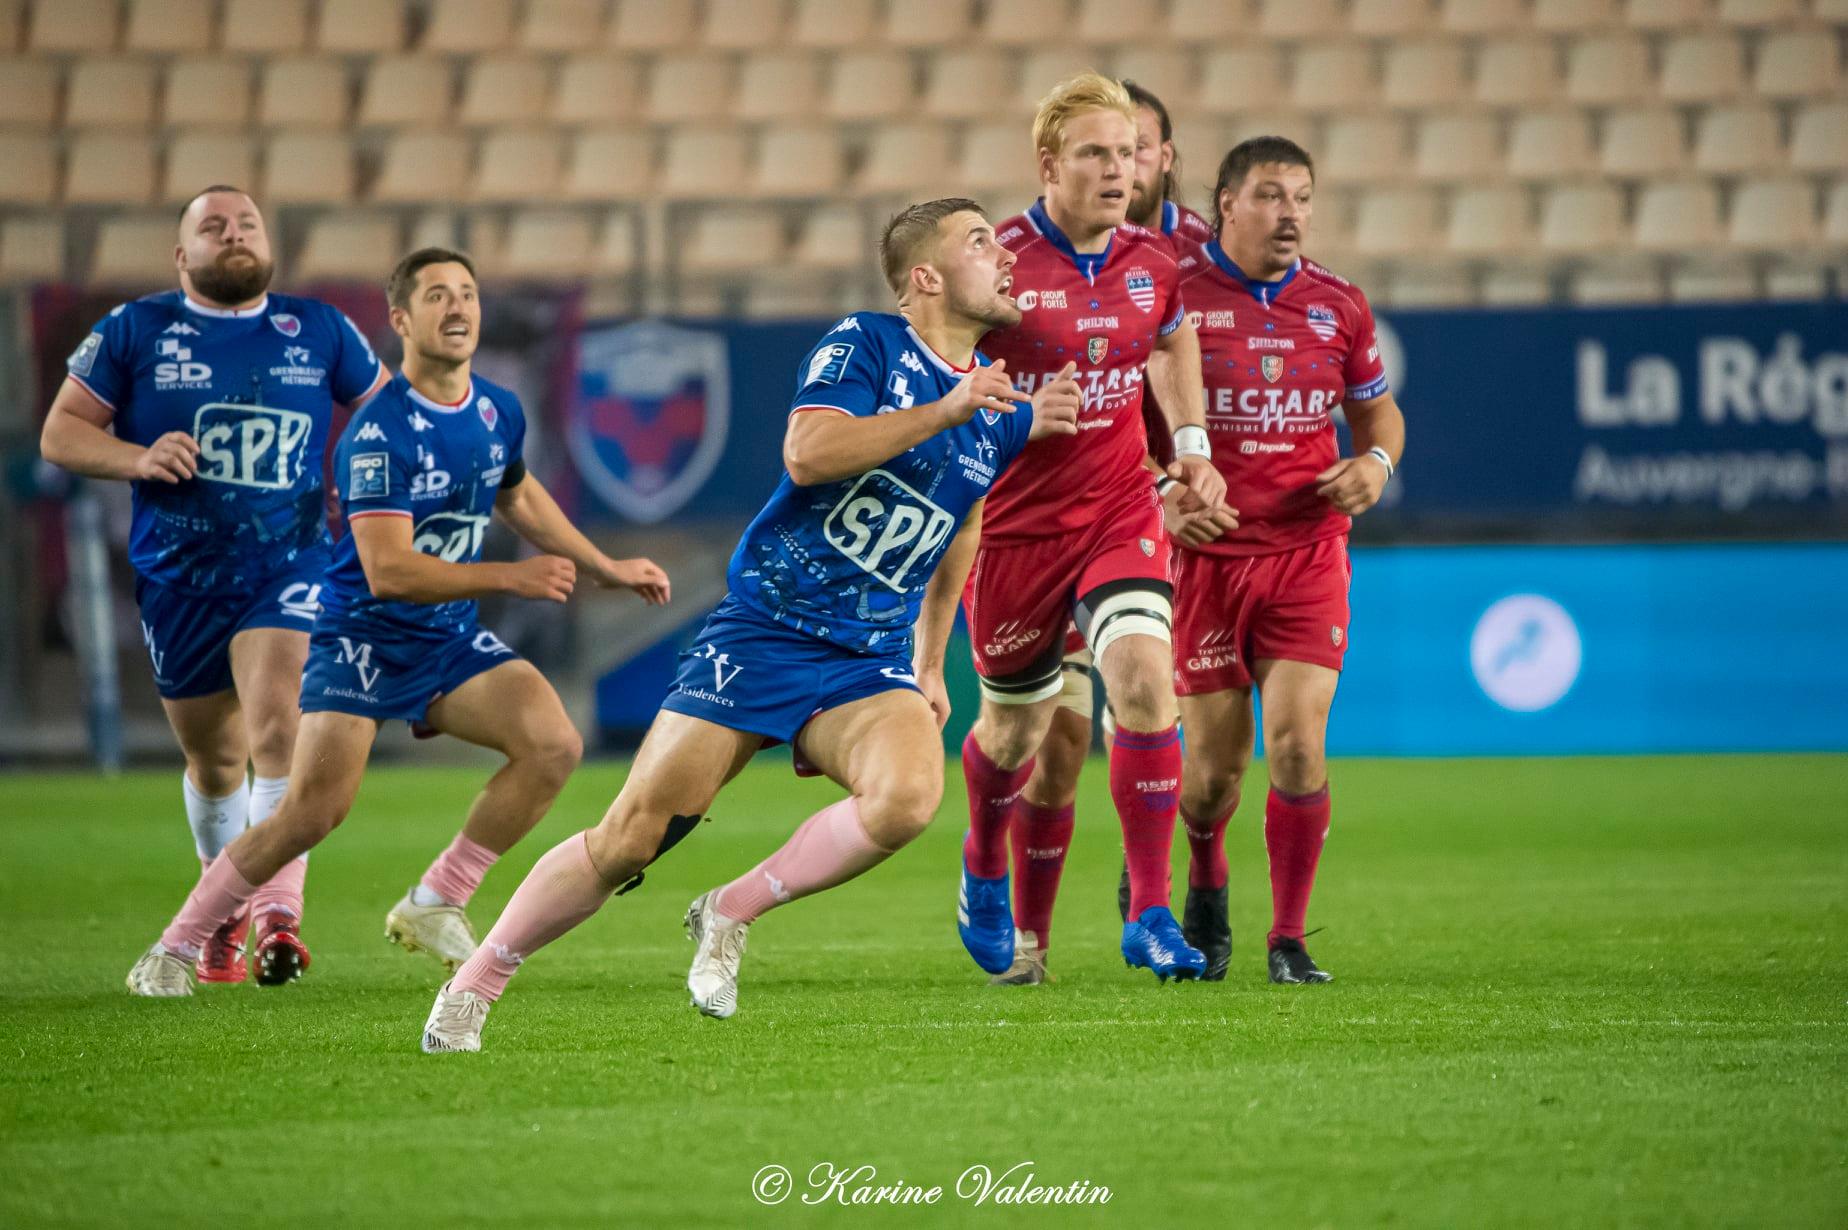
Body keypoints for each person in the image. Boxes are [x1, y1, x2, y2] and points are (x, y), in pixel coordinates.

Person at [417, 199, 1082, 1053]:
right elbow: (808, 453)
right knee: (631, 837)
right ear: (926, 276)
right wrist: (948, 411)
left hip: (866, 659)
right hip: (765, 632)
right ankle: (478, 983)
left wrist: (926, 656)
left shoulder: (993, 399)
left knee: (909, 799)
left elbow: (963, 525)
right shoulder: (867, 343)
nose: (1006, 256)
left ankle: (730, 909)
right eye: (981, 241)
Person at [124, 247, 670, 995]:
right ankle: (176, 947)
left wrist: (605, 564)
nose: (459, 309)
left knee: (550, 744)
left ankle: (436, 899)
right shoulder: (378, 433)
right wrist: (512, 575)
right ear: (401, 320)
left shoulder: (495, 408)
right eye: (438, 296)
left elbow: (516, 493)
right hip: (364, 639)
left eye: (469, 295)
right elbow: (391, 570)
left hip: (443, 636)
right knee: (312, 812)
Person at [40, 186, 388, 984]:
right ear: (181, 254)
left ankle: (275, 921)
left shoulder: (321, 329)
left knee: (277, 732)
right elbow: (61, 431)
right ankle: (223, 905)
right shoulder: (135, 329)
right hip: (180, 577)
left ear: (268, 245)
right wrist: (135, 458)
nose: (234, 235)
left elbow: (382, 416)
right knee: (214, 760)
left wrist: (360, 478)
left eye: (247, 225)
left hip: (289, 567)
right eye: (213, 226)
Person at [956, 73, 1232, 986]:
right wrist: (1016, 412)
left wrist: (1188, 442)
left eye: (1127, 153)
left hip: (1119, 509)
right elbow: (934, 388)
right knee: (1013, 735)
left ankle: (1149, 910)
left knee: (1147, 683)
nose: (1118, 171)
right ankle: (983, 862)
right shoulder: (991, 264)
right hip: (1015, 532)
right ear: (1048, 164)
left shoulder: (1154, 260)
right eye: (1095, 154)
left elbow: (1172, 335)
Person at [1169, 136, 1407, 983]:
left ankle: (1289, 938)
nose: (1291, 214)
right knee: (1210, 779)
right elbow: (1125, 422)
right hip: (1208, 560)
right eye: (1271, 195)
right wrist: (1165, 498)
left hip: (1308, 552)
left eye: (1302, 197)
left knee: (1299, 747)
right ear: (1225, 202)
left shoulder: (1338, 305)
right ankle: (1203, 877)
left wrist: (1374, 467)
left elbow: (1379, 416)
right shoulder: (1176, 297)